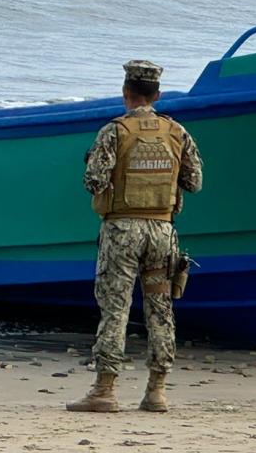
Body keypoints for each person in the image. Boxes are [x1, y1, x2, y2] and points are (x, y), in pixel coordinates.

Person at [67, 60, 203, 414]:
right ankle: (156, 391)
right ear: (156, 94)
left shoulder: (114, 131)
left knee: (116, 309)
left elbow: (94, 182)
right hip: (162, 231)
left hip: (122, 231)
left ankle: (105, 390)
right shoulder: (177, 132)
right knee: (161, 308)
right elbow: (195, 182)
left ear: (126, 92)